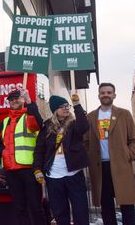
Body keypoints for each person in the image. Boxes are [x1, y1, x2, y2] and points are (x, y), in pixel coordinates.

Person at [84, 83, 135, 225]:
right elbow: (85, 142)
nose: (106, 95)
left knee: (127, 207)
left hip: (121, 166)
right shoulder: (91, 117)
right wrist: (90, 157)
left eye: (109, 92)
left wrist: (128, 155)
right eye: (103, 92)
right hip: (100, 168)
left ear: (114, 95)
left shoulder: (124, 114)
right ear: (98, 95)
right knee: (107, 207)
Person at [33, 94, 89, 225]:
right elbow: (39, 150)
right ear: (55, 110)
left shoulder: (74, 124)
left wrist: (77, 105)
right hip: (54, 177)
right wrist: (37, 169)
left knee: (80, 211)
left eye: (67, 106)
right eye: (62, 106)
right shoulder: (47, 127)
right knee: (60, 213)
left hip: (73, 174)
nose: (66, 108)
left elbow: (84, 127)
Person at [0, 88, 46, 225]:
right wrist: (2, 159)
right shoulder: (5, 121)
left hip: (29, 169)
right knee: (19, 208)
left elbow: (38, 123)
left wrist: (30, 102)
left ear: (22, 100)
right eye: (11, 99)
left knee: (35, 207)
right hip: (11, 171)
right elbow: (1, 144)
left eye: (17, 98)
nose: (14, 101)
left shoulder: (28, 116)